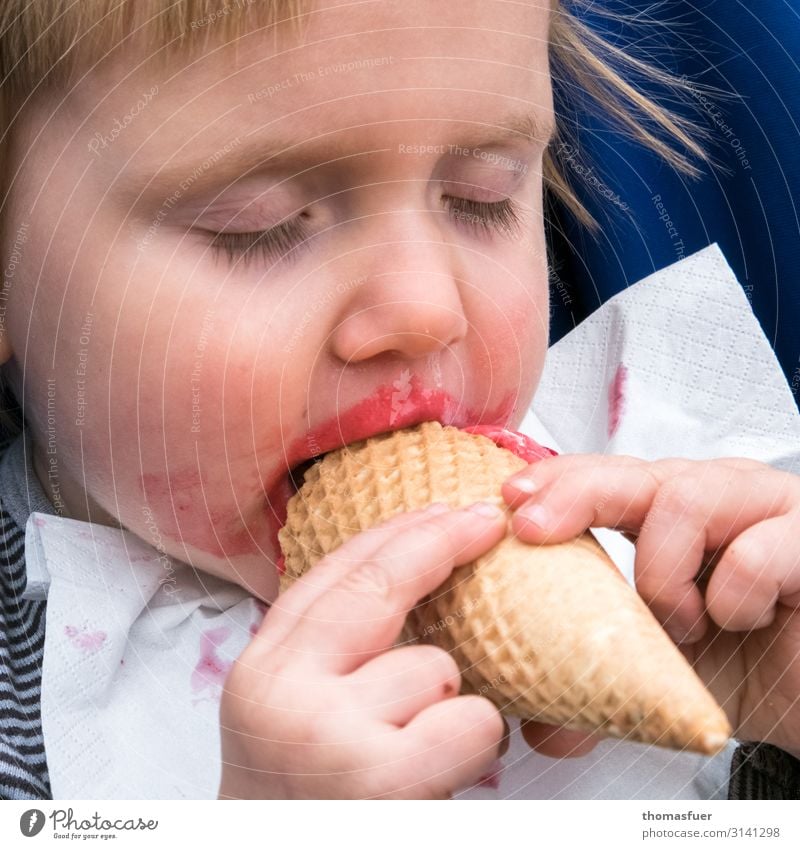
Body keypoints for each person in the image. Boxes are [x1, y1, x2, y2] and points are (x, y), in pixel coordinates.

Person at [0, 0, 797, 800]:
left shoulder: (668, 499)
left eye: (484, 196)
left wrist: (777, 723)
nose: (425, 309)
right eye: (260, 227)